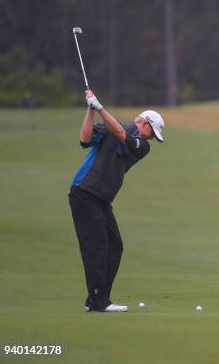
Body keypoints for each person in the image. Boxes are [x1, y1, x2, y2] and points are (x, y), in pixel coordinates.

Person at [69, 89, 164, 312]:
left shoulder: (142, 146)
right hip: (84, 192)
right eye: (152, 133)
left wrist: (100, 107)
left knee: (115, 246)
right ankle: (97, 301)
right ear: (144, 122)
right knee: (98, 247)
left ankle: (100, 298)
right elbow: (84, 139)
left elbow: (121, 134)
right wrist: (91, 110)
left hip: (101, 198)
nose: (151, 138)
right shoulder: (116, 128)